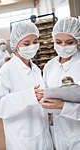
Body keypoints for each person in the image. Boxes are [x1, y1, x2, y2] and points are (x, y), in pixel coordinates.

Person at [0, 21, 53, 150]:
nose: (32, 46)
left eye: (35, 42)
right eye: (26, 43)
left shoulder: (35, 69)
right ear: (16, 45)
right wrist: (27, 97)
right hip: (23, 139)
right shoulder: (6, 71)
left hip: (43, 133)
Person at [42, 17, 80, 150]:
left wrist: (64, 106)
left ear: (77, 41)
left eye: (69, 42)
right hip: (57, 133)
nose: (63, 46)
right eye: (58, 42)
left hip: (77, 134)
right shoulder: (49, 66)